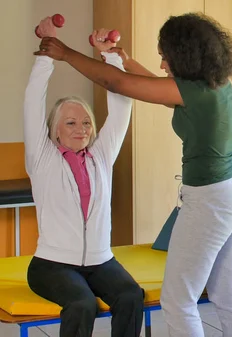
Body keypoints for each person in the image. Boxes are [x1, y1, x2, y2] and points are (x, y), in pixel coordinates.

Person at [35, 13, 232, 337]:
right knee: (227, 294)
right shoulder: (214, 85)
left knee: (178, 301)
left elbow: (117, 84)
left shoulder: (195, 92)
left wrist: (65, 54)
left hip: (209, 202)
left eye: (166, 57)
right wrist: (122, 58)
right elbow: (157, 88)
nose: (163, 64)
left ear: (186, 55)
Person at [25, 17, 143, 337]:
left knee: (132, 296)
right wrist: (48, 55)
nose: (82, 130)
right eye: (71, 124)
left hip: (100, 260)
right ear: (55, 130)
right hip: (52, 265)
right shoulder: (43, 156)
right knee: (82, 304)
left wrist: (112, 57)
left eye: (86, 123)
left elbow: (120, 109)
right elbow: (32, 103)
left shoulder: (101, 157)